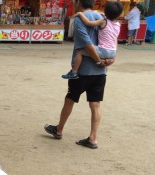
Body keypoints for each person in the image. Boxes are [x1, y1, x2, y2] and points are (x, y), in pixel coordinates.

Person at [44, 0, 113, 149]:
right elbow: (111, 40)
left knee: (70, 99)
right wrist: (107, 60)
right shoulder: (104, 17)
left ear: (79, 3)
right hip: (101, 72)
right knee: (95, 104)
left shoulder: (80, 19)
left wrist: (97, 60)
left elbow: (86, 45)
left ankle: (59, 129)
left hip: (83, 70)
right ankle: (93, 138)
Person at [62, 1, 122, 79]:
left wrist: (99, 61)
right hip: (111, 55)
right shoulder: (117, 24)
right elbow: (115, 39)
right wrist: (113, 58)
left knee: (80, 51)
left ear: (78, 3)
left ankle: (74, 72)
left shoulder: (102, 21)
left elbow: (88, 26)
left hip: (85, 72)